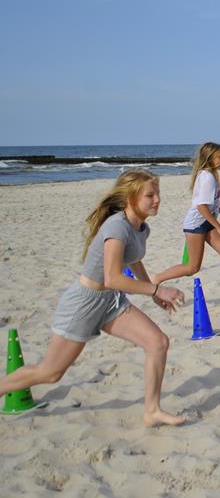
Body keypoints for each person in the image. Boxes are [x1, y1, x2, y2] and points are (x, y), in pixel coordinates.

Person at [0, 170, 186, 426]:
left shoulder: (142, 228)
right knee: (50, 373)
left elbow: (134, 259)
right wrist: (157, 290)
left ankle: (152, 411)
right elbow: (112, 278)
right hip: (84, 304)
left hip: (111, 303)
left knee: (158, 343)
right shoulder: (116, 226)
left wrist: (150, 289)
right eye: (150, 195)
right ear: (130, 198)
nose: (157, 200)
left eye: (158, 194)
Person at [154, 143, 220, 312]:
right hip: (196, 225)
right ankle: (156, 278)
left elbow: (207, 202)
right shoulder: (207, 177)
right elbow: (201, 207)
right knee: (192, 267)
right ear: (210, 158)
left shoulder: (210, 175)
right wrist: (219, 227)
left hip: (207, 221)